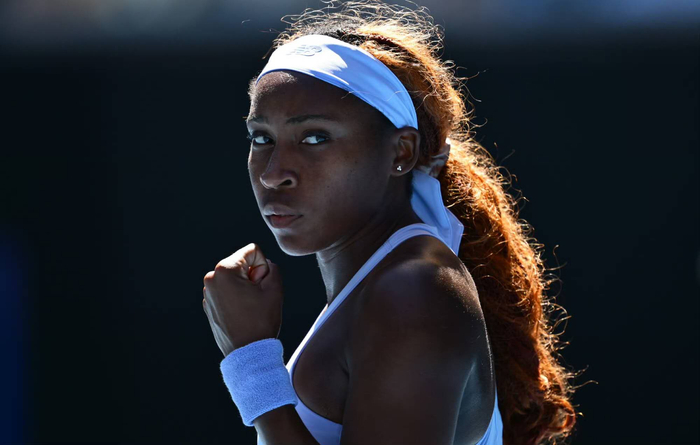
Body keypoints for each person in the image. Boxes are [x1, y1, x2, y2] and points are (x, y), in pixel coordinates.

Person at [203, 2, 579, 444]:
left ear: (401, 152)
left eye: (315, 137)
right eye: (262, 138)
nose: (273, 173)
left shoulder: (412, 291)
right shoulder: (393, 285)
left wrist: (251, 360)